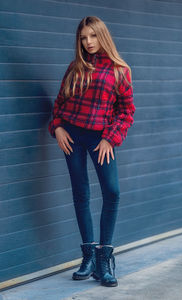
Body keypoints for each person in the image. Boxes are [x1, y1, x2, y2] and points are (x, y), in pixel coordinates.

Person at [48, 16, 136, 287]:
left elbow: (126, 112)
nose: (88, 42)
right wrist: (58, 128)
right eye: (83, 38)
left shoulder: (120, 70)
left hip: (101, 138)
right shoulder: (75, 67)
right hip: (72, 135)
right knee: (81, 192)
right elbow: (59, 104)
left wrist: (110, 138)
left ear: (102, 36)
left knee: (112, 191)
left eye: (93, 36)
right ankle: (87, 256)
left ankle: (104, 260)